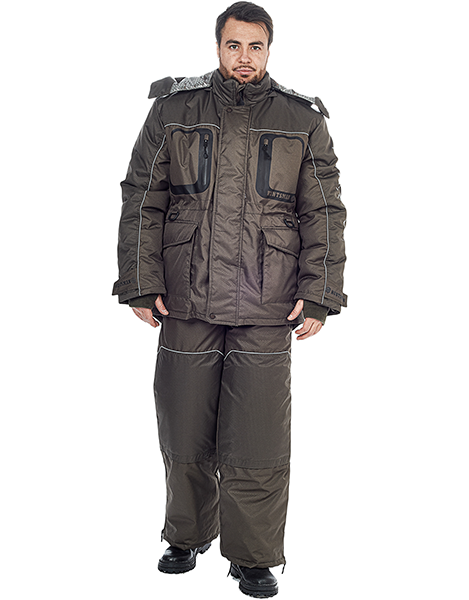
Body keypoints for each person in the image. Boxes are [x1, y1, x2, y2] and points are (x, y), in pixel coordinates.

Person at [112, 2, 347, 596]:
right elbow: (143, 196)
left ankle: (254, 556)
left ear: (270, 50)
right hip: (185, 299)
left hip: (268, 303)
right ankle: (186, 535)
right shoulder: (173, 109)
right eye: (234, 45)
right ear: (218, 46)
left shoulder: (302, 118)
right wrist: (140, 281)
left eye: (255, 47)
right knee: (184, 428)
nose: (244, 57)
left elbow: (323, 210)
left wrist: (319, 291)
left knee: (258, 438)